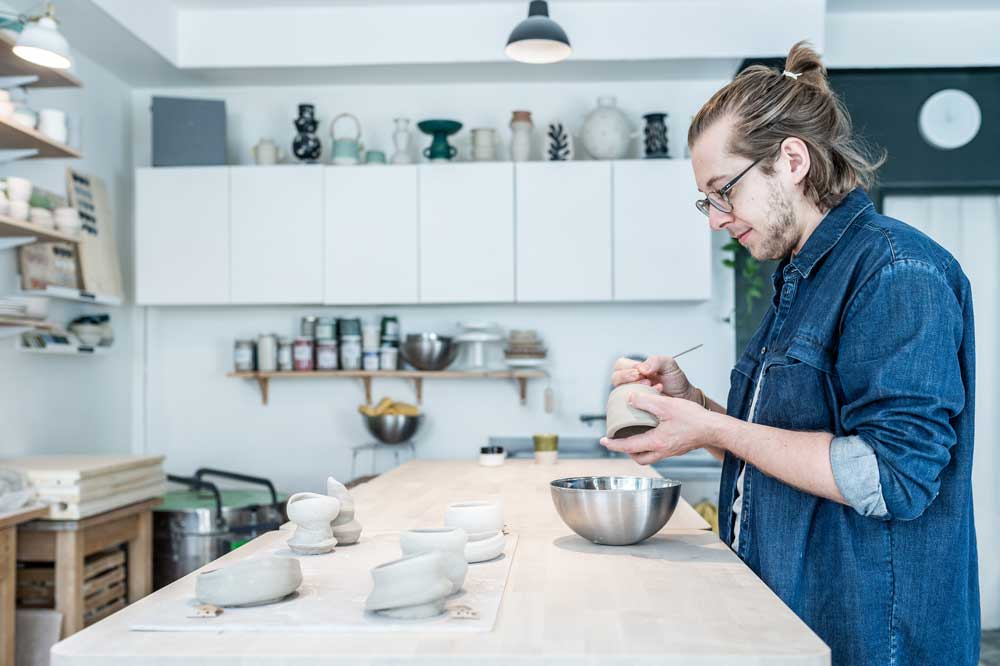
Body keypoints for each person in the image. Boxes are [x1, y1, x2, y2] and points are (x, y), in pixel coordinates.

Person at [601, 41, 979, 665]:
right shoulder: (800, 278)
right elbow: (781, 446)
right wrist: (692, 409)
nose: (717, 218)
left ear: (792, 160)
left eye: (725, 190)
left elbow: (893, 478)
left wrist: (712, 425)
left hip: (873, 637)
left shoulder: (895, 271)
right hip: (797, 620)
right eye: (708, 199)